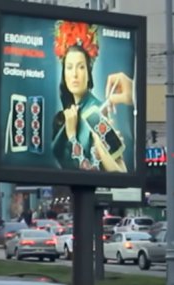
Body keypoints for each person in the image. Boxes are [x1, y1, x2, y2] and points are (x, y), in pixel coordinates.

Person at [50, 21, 132, 173]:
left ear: (89, 73)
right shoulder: (67, 115)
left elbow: (96, 170)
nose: (74, 74)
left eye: (81, 67)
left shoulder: (98, 113)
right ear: (64, 74)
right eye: (69, 68)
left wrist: (72, 137)